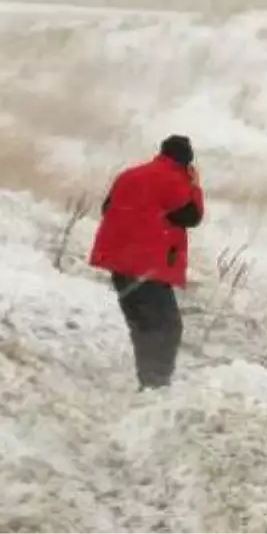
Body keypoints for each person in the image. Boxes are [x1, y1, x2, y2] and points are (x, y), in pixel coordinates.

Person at [89, 135, 204, 390]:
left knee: (143, 324)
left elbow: (108, 208)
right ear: (186, 162)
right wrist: (195, 186)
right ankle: (156, 384)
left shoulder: (129, 175)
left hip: (121, 267)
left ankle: (149, 382)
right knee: (168, 327)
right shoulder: (175, 180)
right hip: (147, 268)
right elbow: (192, 215)